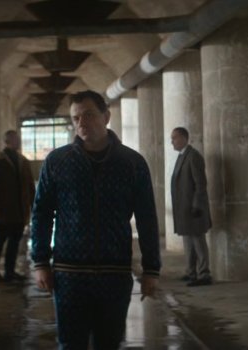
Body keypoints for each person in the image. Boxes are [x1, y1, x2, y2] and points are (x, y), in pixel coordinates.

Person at [31, 90, 160, 349]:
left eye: (88, 115)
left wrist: (151, 269)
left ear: (106, 116)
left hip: (115, 273)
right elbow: (42, 213)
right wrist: (41, 261)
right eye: (76, 118)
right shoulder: (58, 161)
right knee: (70, 344)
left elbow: (147, 218)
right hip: (69, 274)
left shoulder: (132, 163)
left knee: (109, 343)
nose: (82, 123)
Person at [0, 130, 35, 282]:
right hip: (3, 210)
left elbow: (29, 186)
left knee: (14, 242)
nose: (18, 142)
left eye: (18, 139)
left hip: (19, 210)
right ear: (7, 141)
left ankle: (9, 271)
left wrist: (33, 206)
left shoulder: (23, 161)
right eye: (15, 139)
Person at [169, 127, 213, 287]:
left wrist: (196, 205)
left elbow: (201, 184)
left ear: (183, 138)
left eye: (174, 138)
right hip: (184, 209)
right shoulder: (183, 156)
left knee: (198, 241)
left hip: (194, 209)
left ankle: (204, 274)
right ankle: (191, 272)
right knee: (188, 241)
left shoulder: (193, 156)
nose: (171, 142)